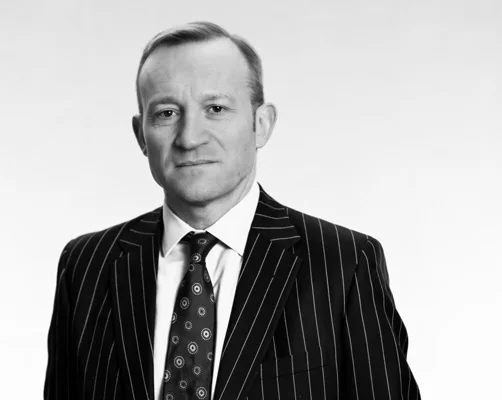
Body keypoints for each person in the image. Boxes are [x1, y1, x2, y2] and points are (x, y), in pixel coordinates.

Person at [44, 21, 421, 400]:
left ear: (262, 124)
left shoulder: (342, 263)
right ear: (140, 134)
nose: (190, 138)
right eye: (167, 113)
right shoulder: (86, 267)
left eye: (216, 108)